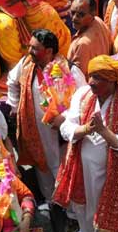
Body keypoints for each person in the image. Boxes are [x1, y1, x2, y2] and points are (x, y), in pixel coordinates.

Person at [54, 55, 118, 232]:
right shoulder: (82, 95)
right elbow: (65, 128)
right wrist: (85, 129)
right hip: (82, 172)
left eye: (98, 77)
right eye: (91, 76)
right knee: (83, 211)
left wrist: (102, 131)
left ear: (112, 81)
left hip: (114, 175)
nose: (91, 82)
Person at [7, 29, 86, 200]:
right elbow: (12, 81)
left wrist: (65, 119)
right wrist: (14, 107)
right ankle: (52, 205)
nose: (30, 52)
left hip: (60, 133)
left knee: (63, 169)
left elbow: (84, 101)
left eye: (35, 48)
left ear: (49, 51)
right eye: (30, 47)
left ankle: (69, 210)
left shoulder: (71, 71)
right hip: (36, 131)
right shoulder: (27, 64)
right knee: (42, 168)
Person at [67, 0, 112, 76]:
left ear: (93, 13)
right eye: (72, 12)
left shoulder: (83, 44)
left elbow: (78, 77)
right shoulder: (98, 21)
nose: (74, 18)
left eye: (81, 14)